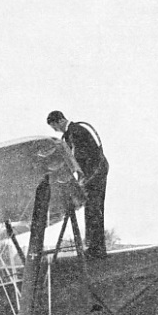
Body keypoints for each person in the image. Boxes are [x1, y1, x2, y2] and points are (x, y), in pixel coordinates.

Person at [47, 111, 109, 259]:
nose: (56, 130)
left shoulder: (76, 131)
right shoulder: (68, 135)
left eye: (54, 126)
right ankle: (95, 247)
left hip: (96, 171)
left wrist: (80, 180)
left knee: (94, 208)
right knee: (92, 209)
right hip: (90, 173)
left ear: (60, 121)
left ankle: (97, 249)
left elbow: (78, 157)